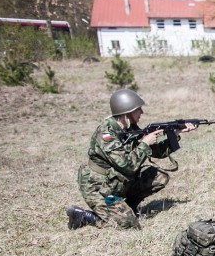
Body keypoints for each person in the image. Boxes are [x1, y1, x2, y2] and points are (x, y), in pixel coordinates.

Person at [66, 88, 197, 230]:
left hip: (118, 182)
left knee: (159, 177)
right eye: (138, 109)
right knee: (129, 225)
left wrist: (176, 134)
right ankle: (85, 217)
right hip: (98, 186)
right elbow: (127, 165)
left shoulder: (130, 128)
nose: (142, 112)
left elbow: (157, 152)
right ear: (126, 112)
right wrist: (145, 143)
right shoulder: (106, 134)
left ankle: (127, 206)